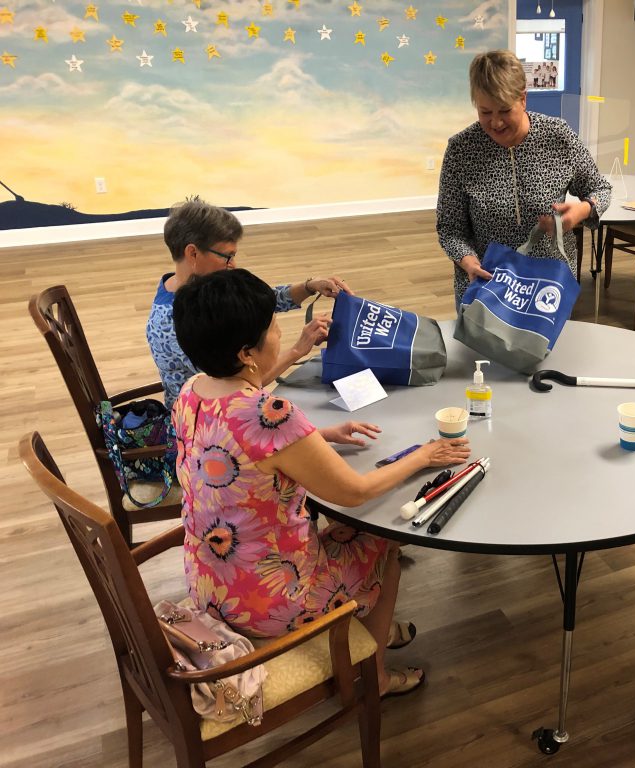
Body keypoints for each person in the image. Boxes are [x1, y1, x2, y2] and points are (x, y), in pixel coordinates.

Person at [171, 268, 472, 697]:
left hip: (210, 583)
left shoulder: (192, 391)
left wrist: (317, 438)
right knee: (383, 542)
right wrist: (426, 455)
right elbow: (354, 492)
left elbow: (240, 452)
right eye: (273, 326)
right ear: (246, 353)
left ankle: (376, 632)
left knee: (350, 532)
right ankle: (377, 676)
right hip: (271, 600)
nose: (278, 331)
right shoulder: (271, 415)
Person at [437, 49, 611, 304]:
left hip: (547, 290)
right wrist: (468, 262)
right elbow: (450, 229)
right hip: (487, 288)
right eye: (485, 112)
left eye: (504, 110)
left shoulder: (557, 136)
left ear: (523, 99)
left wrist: (582, 211)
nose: (496, 123)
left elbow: (600, 189)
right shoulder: (462, 149)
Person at [147, 198, 352, 407]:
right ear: (193, 253)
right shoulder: (170, 324)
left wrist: (309, 286)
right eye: (227, 256)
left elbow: (254, 304)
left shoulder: (191, 288)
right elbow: (237, 386)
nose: (233, 264)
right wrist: (298, 350)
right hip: (202, 423)